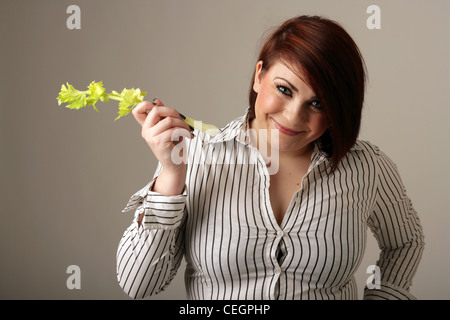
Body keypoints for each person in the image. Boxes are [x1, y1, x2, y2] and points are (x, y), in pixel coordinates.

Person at [116, 15, 424, 300]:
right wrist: (171, 174)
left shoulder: (368, 167)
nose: (292, 116)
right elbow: (139, 285)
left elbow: (405, 243)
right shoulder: (193, 155)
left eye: (317, 103)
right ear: (259, 76)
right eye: (284, 89)